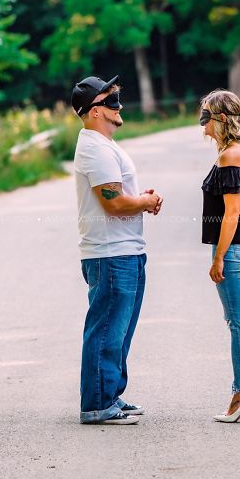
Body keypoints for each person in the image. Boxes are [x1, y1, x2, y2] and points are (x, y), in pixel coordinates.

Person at [71, 75, 163, 425]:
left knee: (119, 330)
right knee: (108, 329)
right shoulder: (94, 147)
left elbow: (121, 197)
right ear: (94, 111)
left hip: (124, 251)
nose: (119, 105)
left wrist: (140, 201)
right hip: (110, 254)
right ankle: (96, 404)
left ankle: (110, 395)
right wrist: (145, 201)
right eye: (111, 101)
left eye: (118, 98)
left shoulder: (104, 145)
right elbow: (113, 203)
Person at [199, 89, 240, 423]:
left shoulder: (230, 156)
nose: (202, 123)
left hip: (233, 247)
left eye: (206, 116)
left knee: (237, 321)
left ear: (222, 119)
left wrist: (218, 258)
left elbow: (232, 212)